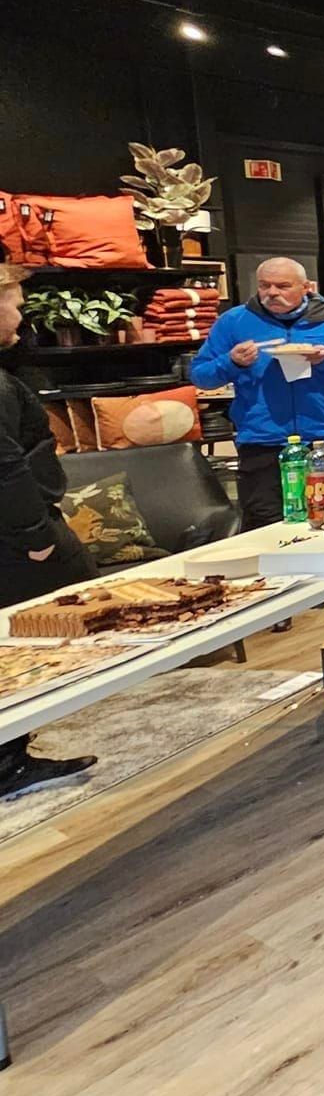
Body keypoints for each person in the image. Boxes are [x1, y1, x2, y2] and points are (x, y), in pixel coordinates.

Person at [0, 263, 101, 799]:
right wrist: (36, 535)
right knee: (35, 635)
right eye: (14, 305)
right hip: (17, 537)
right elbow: (6, 468)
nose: (21, 316)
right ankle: (9, 759)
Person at [191, 257, 324, 527]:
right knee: (265, 526)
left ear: (306, 287)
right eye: (264, 286)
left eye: (282, 286)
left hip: (323, 440)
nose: (272, 293)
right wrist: (230, 362)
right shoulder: (233, 322)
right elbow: (200, 376)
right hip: (262, 443)